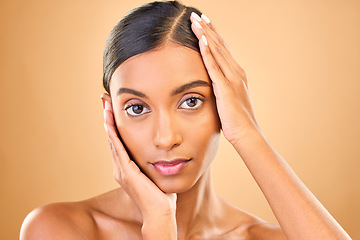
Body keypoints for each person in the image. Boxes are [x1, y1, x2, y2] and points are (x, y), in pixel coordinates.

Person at [20, 1, 351, 239]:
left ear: (225, 103)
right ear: (110, 112)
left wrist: (248, 133)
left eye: (191, 101)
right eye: (137, 108)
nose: (165, 139)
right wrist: (158, 224)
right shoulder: (59, 229)